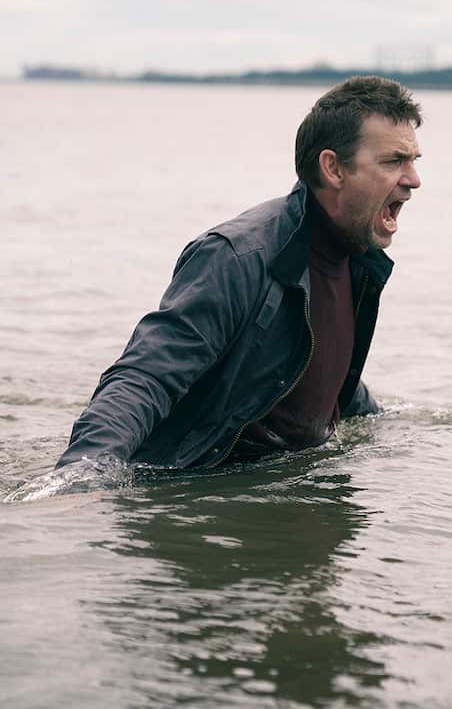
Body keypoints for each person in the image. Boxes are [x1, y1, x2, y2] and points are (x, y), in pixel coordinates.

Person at [55, 75, 423, 470]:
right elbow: (146, 376)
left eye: (413, 162)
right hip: (193, 493)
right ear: (333, 168)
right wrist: (82, 473)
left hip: (294, 492)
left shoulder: (358, 261)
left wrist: (395, 422)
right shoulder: (236, 258)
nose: (413, 180)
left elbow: (319, 369)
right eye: (392, 161)